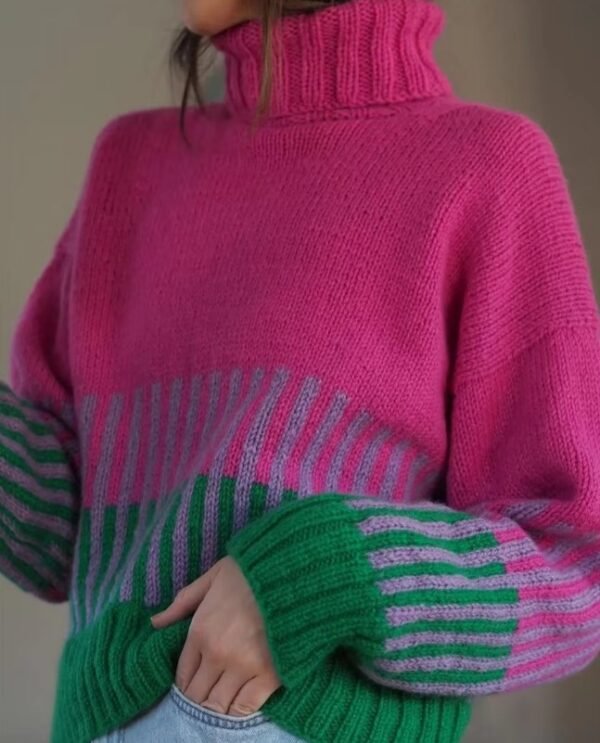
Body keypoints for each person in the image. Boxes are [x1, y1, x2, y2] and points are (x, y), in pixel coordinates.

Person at [2, 0, 600, 741]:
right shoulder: (128, 167)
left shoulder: (487, 166)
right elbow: (56, 535)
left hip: (308, 721)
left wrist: (329, 575)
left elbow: (575, 568)